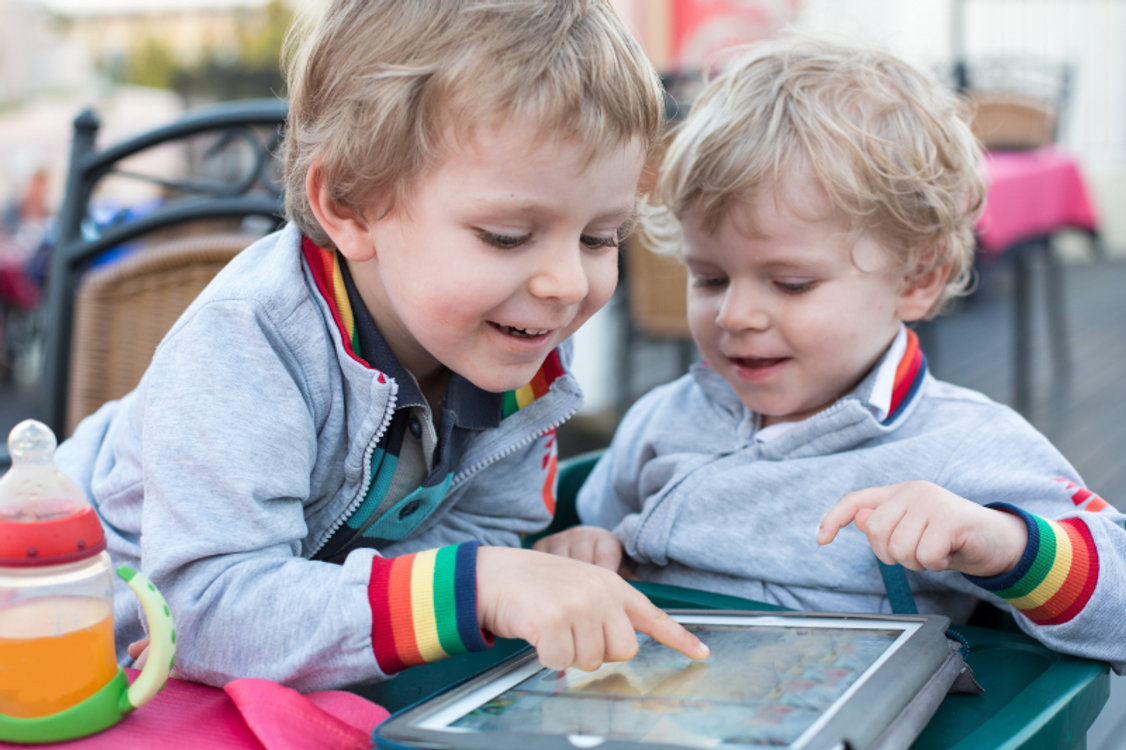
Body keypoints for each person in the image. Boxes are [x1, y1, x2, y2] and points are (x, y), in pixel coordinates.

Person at [56, 0, 708, 692]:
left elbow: (488, 528)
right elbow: (203, 611)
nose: (566, 283)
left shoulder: (517, 346)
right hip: (77, 650)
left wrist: (503, 576)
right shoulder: (250, 341)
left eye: (600, 238)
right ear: (350, 205)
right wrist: (475, 585)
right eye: (507, 237)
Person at [534, 34, 1126, 672]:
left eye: (791, 284)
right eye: (709, 278)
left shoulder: (964, 447)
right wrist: (592, 550)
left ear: (918, 278)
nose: (735, 314)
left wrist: (1006, 545)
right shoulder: (662, 418)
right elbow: (604, 537)